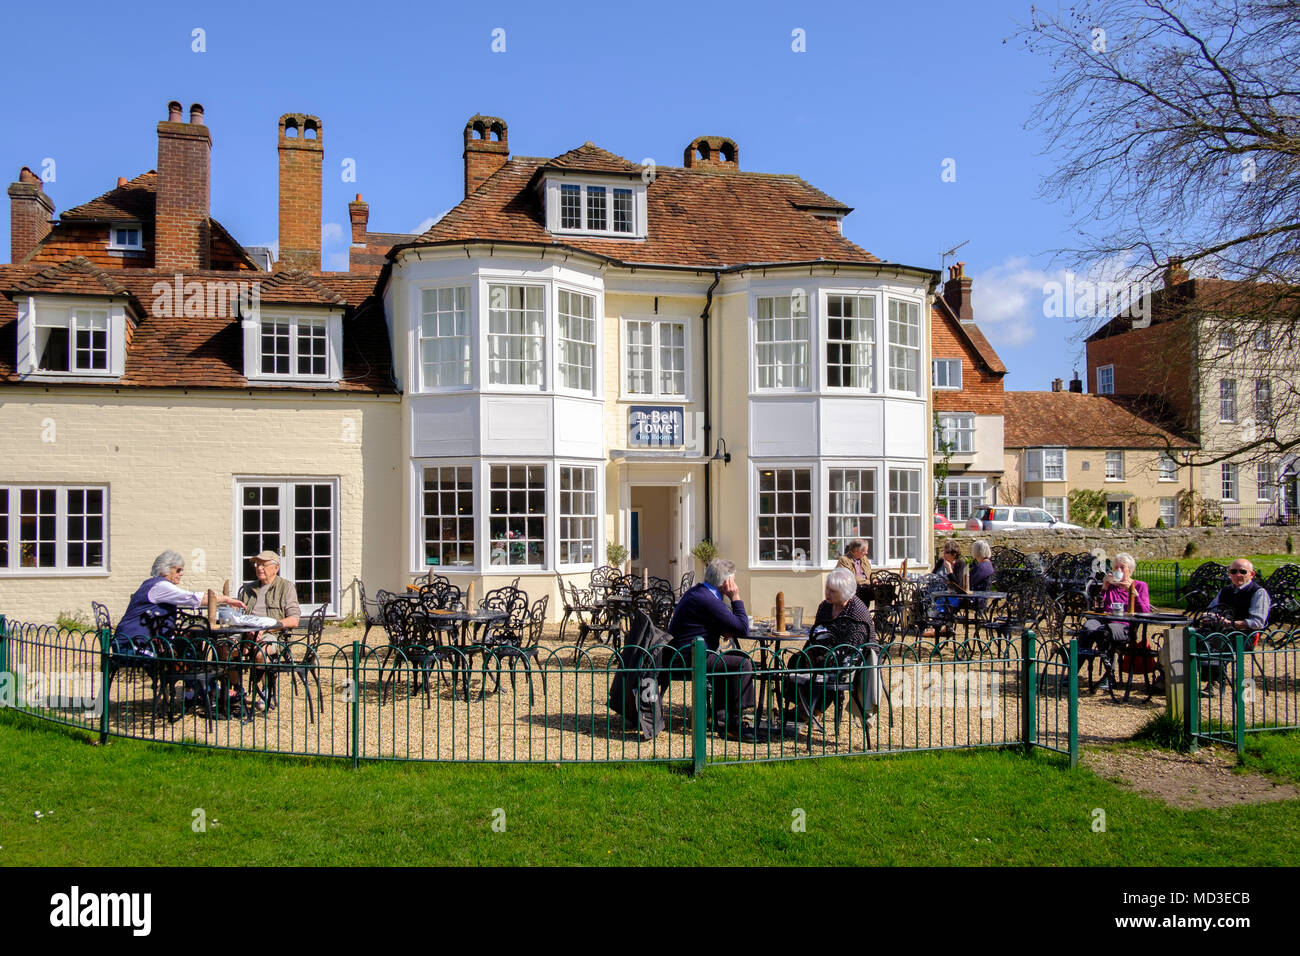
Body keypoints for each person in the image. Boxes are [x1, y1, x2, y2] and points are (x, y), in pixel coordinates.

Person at [665, 557, 758, 741]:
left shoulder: (699, 593)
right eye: (734, 581)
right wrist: (736, 597)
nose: (735, 585)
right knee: (742, 664)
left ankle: (721, 717)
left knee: (729, 662)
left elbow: (716, 622)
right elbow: (743, 628)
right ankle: (734, 723)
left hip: (687, 653)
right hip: (688, 658)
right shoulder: (707, 599)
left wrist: (723, 628)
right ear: (726, 583)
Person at [114, 550, 245, 654]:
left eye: (182, 570)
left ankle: (198, 687)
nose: (181, 573)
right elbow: (194, 598)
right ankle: (200, 686)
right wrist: (227, 599)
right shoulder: (160, 587)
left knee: (189, 647)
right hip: (131, 644)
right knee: (185, 652)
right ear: (164, 569)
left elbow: (189, 599)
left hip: (143, 641)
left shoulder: (154, 584)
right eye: (178, 570)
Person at [1077, 552, 1150, 691]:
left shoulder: (1140, 586)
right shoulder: (1110, 586)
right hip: (1104, 621)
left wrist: (1134, 593)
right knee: (1088, 627)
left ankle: (1109, 676)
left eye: (1122, 567)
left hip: (1124, 626)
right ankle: (1073, 670)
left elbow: (1146, 611)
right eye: (1116, 567)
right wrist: (1104, 587)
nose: (1118, 571)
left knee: (1106, 632)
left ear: (1131, 570)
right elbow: (1098, 608)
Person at [1198, 558, 1272, 694]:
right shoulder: (1225, 591)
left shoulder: (1258, 592)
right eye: (1233, 571)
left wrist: (1229, 623)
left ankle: (1216, 682)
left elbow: (1257, 622)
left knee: (1214, 642)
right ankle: (1171, 677)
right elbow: (1211, 610)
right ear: (1229, 574)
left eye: (1243, 571)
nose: (1238, 575)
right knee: (1192, 637)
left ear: (1252, 574)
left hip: (1244, 635)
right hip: (1221, 631)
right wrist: (1208, 617)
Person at [836, 539, 873, 605]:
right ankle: (862, 613)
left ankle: (882, 613)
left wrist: (875, 579)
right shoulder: (844, 560)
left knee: (886, 588)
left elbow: (870, 573)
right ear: (856, 550)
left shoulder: (864, 558)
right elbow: (850, 577)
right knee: (864, 591)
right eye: (864, 550)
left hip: (867, 586)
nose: (866, 553)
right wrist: (869, 582)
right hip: (853, 588)